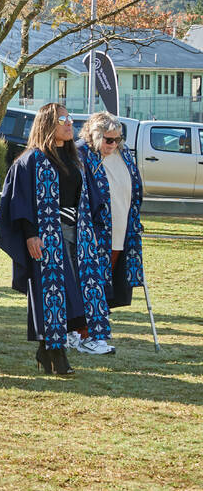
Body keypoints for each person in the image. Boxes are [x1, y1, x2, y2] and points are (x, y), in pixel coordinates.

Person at [0, 103, 112, 375]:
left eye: (69, 118)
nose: (69, 123)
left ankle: (46, 351)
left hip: (78, 237)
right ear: (47, 124)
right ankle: (56, 354)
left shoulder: (76, 159)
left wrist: (93, 231)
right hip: (46, 236)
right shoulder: (30, 161)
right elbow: (19, 200)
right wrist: (30, 234)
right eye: (62, 119)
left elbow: (91, 198)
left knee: (77, 294)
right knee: (53, 295)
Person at [75, 111, 142, 353]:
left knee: (105, 286)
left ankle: (84, 332)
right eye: (109, 140)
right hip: (93, 234)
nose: (113, 144)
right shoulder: (82, 154)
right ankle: (86, 335)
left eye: (118, 139)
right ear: (94, 136)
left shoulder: (123, 154)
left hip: (121, 232)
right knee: (90, 284)